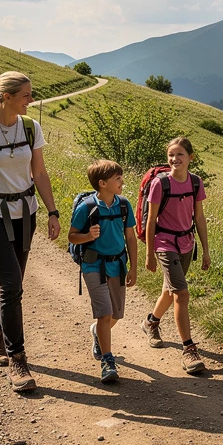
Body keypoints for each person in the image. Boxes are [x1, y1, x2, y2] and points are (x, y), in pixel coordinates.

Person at [0, 71, 60, 392]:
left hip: (25, 214)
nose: (31, 100)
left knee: (13, 283)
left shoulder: (31, 127)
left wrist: (53, 212)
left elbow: (40, 172)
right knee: (11, 282)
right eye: (26, 95)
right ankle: (18, 360)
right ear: (6, 97)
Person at [141, 136, 211, 374]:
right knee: (181, 293)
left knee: (169, 292)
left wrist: (206, 251)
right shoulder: (160, 184)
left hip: (186, 243)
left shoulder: (195, 183)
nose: (174, 159)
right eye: (171, 155)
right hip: (164, 242)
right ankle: (189, 349)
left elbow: (199, 218)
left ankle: (151, 322)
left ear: (191, 158)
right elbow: (151, 220)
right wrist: (149, 253)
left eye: (180, 154)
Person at [68, 160, 138, 384]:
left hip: (117, 265)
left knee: (116, 315)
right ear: (103, 183)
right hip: (93, 266)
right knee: (105, 314)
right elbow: (72, 236)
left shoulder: (124, 205)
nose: (122, 182)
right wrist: (88, 237)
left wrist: (134, 267)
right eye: (118, 178)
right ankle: (107, 361)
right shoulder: (87, 208)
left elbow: (130, 238)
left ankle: (98, 332)